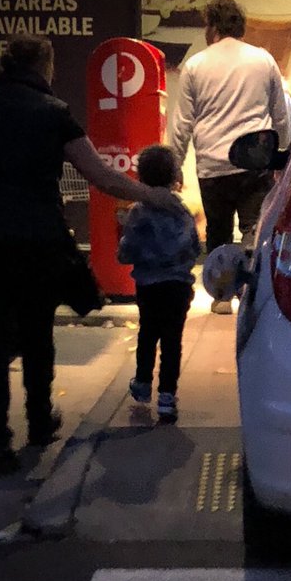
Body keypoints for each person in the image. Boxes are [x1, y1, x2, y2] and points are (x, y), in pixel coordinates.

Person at [0, 34, 186, 477]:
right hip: (33, 238)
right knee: (38, 331)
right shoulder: (53, 114)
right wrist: (151, 196)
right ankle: (40, 422)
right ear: (46, 66)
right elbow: (101, 177)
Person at [171, 0, 291, 314]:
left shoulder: (195, 65)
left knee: (219, 230)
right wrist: (282, 156)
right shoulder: (263, 60)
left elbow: (182, 122)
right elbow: (281, 115)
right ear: (240, 27)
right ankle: (253, 294)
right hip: (255, 159)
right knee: (254, 226)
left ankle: (222, 296)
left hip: (213, 163)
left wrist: (173, 165)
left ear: (211, 27)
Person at [118, 145, 201, 423]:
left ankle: (142, 384)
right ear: (174, 176)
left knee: (148, 333)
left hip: (148, 285)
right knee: (172, 340)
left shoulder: (138, 213)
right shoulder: (183, 212)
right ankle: (167, 397)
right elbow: (193, 247)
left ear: (140, 176)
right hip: (177, 286)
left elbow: (127, 251)